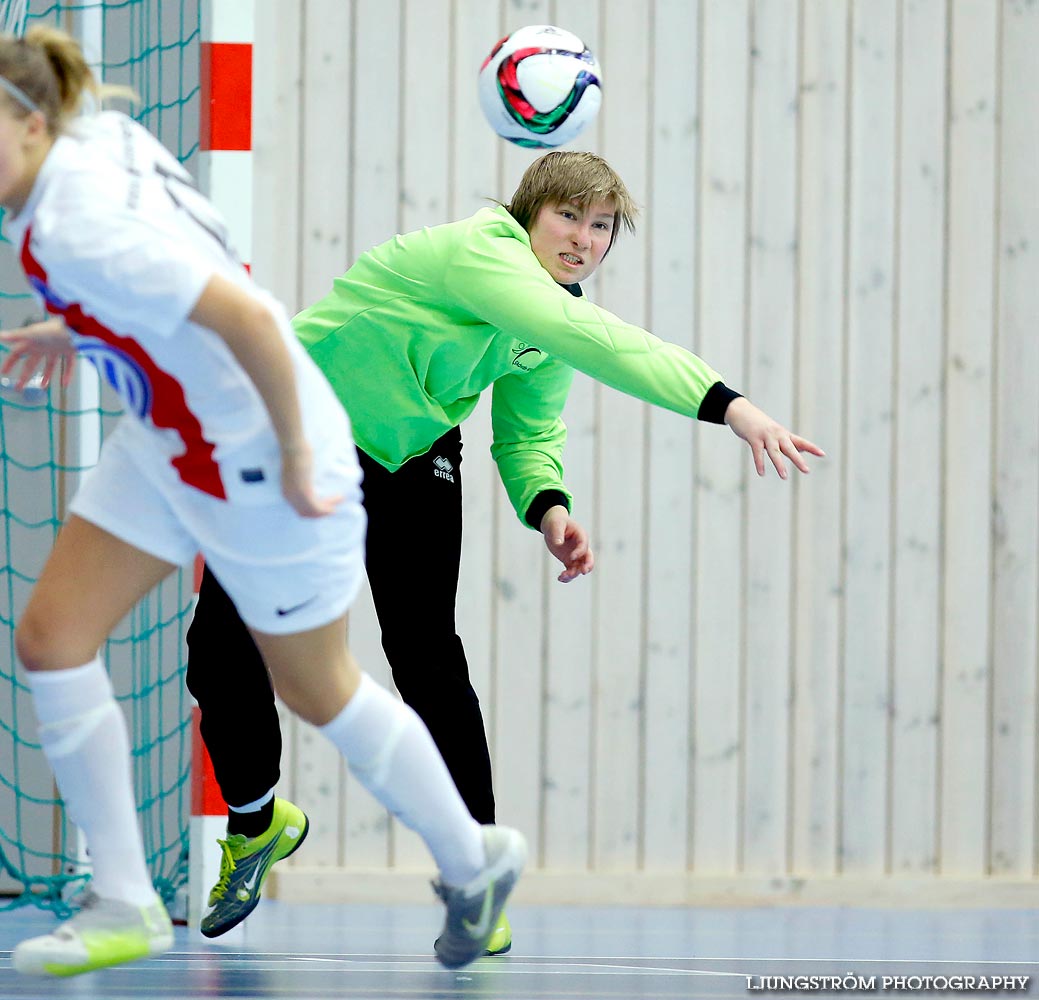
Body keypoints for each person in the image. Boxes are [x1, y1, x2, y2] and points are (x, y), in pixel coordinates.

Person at [185, 150, 825, 951]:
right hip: (295, 431)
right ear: (528, 215)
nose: (583, 240)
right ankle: (254, 822)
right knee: (219, 648)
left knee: (427, 659)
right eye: (568, 217)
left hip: (412, 457)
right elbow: (597, 340)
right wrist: (731, 407)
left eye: (600, 228)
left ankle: (474, 875)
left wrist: (548, 504)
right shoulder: (477, 253)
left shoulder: (541, 322)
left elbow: (529, 430)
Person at [0, 26, 524, 978]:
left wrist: (295, 452)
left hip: (254, 449)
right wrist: (69, 327)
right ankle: (123, 900)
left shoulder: (74, 218)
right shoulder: (94, 147)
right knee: (52, 638)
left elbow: (246, 316)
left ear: (30, 122)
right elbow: (169, 275)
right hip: (169, 432)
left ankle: (473, 857)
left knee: (317, 687)